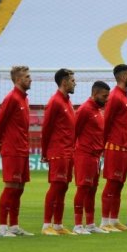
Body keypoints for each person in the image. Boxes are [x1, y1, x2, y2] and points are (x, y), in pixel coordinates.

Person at [0, 65, 33, 237]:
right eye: (27, 77)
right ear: (18, 80)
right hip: (12, 149)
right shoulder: (11, 98)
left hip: (22, 149)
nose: (30, 79)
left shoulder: (24, 98)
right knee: (11, 187)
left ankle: (14, 225)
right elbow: (0, 122)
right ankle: (2, 227)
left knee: (19, 188)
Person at [40, 68, 76, 235]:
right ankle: (47, 225)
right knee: (56, 187)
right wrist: (44, 151)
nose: (74, 83)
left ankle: (58, 225)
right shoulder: (55, 102)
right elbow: (46, 128)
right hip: (58, 151)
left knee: (63, 188)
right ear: (64, 82)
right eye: (72, 80)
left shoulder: (67, 101)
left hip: (69, 151)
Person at [72, 80, 110, 235]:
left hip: (96, 156)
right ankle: (77, 225)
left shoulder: (97, 110)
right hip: (84, 155)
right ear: (95, 94)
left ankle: (90, 224)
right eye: (104, 96)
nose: (106, 99)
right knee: (83, 189)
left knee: (92, 190)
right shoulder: (85, 110)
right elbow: (74, 131)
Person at [100, 64, 127, 232]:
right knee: (112, 184)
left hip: (125, 147)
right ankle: (104, 221)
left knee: (119, 184)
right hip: (114, 147)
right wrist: (102, 144)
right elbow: (107, 122)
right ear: (122, 77)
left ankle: (114, 220)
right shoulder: (114, 97)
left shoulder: (125, 97)